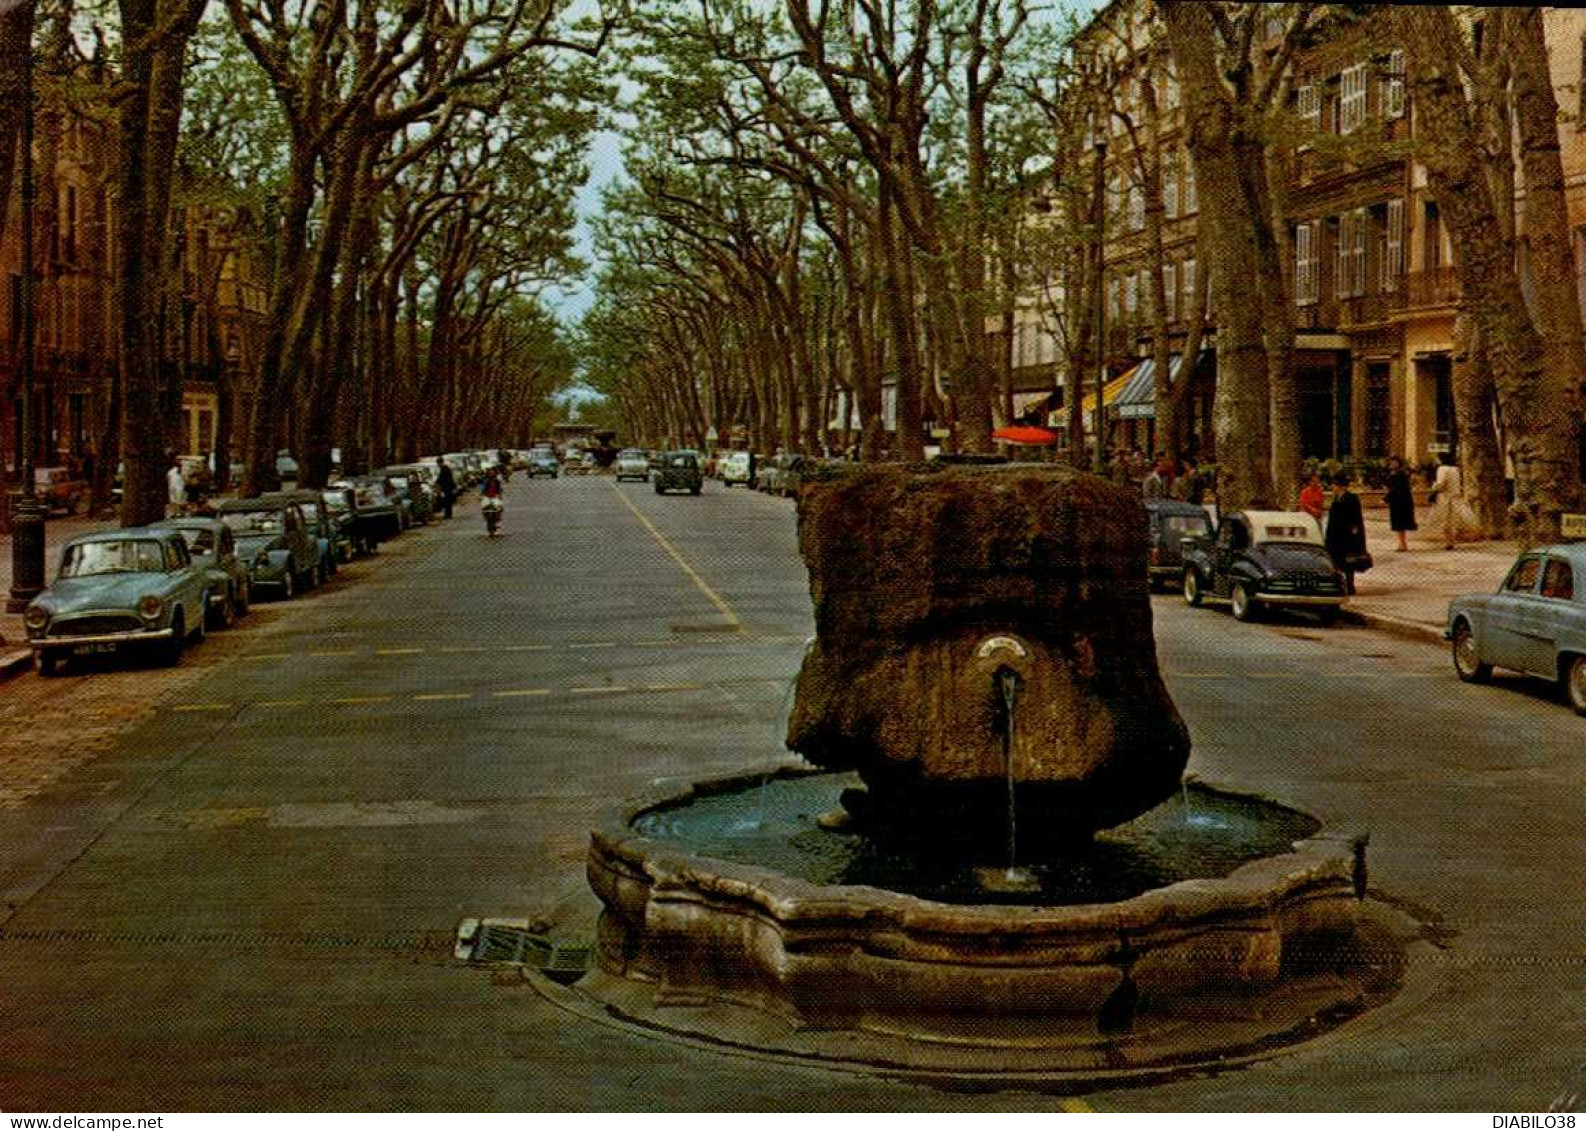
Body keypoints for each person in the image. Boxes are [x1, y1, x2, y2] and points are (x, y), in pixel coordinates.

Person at [1324, 472, 1367, 595]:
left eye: (1335, 485)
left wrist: (1354, 531)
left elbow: (1356, 517)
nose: (1333, 487)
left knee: (1348, 561)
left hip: (1347, 535)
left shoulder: (1351, 498)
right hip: (1335, 535)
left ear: (1341, 486)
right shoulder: (1336, 499)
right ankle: (1339, 584)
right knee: (1336, 560)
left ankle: (1350, 585)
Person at [1428, 452, 1481, 549]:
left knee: (1445, 519)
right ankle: (1452, 540)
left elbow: (1441, 483)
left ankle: (1449, 542)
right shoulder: (1455, 469)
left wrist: (1433, 487)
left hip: (1444, 497)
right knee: (1454, 519)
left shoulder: (1442, 469)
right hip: (1455, 496)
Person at [1384, 455, 1418, 552]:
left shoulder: (1400, 474)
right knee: (1398, 524)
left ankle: (1403, 544)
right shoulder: (1393, 473)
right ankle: (1401, 543)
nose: (1392, 464)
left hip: (1401, 501)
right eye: (1391, 462)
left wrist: (1386, 498)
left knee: (1400, 523)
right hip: (1396, 501)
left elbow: (1397, 488)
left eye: (1394, 462)